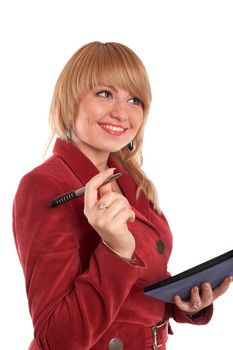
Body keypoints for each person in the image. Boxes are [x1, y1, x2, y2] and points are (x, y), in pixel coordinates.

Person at [13, 41, 232, 350]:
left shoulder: (132, 181)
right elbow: (57, 339)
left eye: (135, 99)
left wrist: (184, 303)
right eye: (105, 93)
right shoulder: (44, 186)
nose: (121, 112)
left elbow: (138, 289)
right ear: (70, 98)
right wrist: (116, 252)